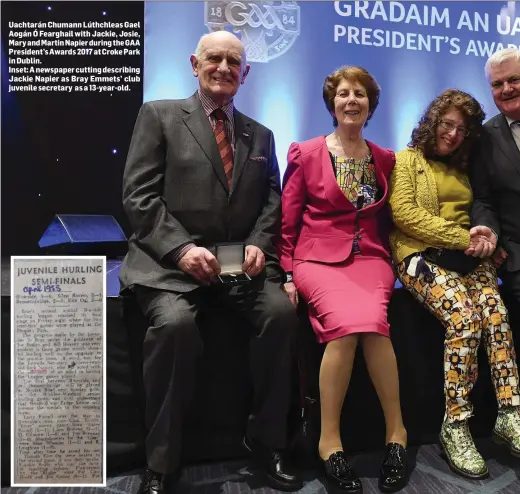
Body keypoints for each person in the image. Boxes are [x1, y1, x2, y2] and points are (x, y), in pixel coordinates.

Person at [119, 31, 302, 494]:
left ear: (246, 72)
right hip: (168, 266)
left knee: (281, 315)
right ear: (194, 63)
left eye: (233, 61)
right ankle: (162, 460)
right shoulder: (158, 115)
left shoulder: (260, 133)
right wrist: (181, 250)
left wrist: (261, 242)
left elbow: (271, 201)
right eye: (214, 59)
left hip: (239, 267)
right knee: (175, 327)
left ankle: (267, 440)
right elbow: (139, 197)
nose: (223, 67)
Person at [279, 66, 408, 494]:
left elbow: (391, 219)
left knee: (373, 324)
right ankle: (328, 441)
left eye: (360, 94)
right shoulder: (306, 153)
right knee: (347, 329)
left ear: (370, 105)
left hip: (370, 259)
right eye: (344, 94)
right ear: (332, 103)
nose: (352, 100)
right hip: (316, 259)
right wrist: (287, 272)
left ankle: (397, 435)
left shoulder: (385, 158)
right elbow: (288, 220)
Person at [388, 88, 520, 480]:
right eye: (447, 124)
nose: (453, 134)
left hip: (469, 258)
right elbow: (405, 214)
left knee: (496, 316)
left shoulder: (465, 166)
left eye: (463, 129)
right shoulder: (407, 160)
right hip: (420, 257)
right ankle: (456, 425)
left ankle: (510, 414)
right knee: (464, 319)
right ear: (433, 122)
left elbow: (482, 209)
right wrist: (465, 238)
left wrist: (486, 239)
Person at [470, 47, 520, 350]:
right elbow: (483, 200)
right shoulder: (484, 138)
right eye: (497, 84)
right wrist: (491, 234)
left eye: (513, 80)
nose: (506, 89)